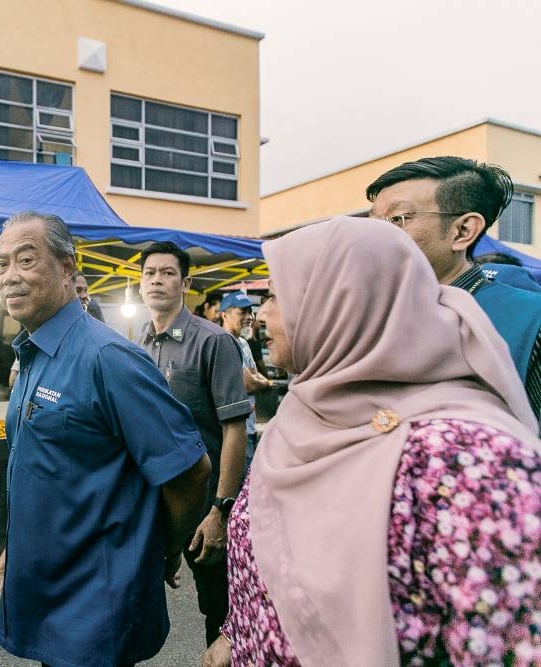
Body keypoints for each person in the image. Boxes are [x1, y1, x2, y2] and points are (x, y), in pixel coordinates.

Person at [202, 216, 540, 667]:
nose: (262, 313)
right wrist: (236, 633)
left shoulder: (472, 459)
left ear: (344, 304)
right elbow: (268, 556)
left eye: (279, 296)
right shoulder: (299, 415)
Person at [0, 212, 211, 667]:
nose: (10, 276)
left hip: (96, 598)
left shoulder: (109, 358)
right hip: (46, 580)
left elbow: (189, 470)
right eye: (0, 264)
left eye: (26, 260)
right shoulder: (34, 354)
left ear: (69, 269)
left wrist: (162, 549)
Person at [366, 156, 541, 424]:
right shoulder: (367, 317)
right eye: (373, 222)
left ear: (462, 231)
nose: (374, 235)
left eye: (397, 219)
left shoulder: (529, 320)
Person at [137, 241, 251, 648]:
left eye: (167, 273)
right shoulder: (138, 344)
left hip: (205, 498)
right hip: (157, 495)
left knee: (220, 608)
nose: (157, 280)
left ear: (185, 282)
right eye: (149, 273)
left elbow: (235, 428)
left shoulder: (214, 341)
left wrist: (221, 510)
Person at [218, 291, 271, 469]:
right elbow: (249, 383)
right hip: (234, 430)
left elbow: (254, 375)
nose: (249, 317)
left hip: (249, 427)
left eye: (250, 312)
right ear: (224, 315)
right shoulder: (223, 343)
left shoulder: (243, 343)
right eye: (242, 312)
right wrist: (267, 383)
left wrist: (257, 380)